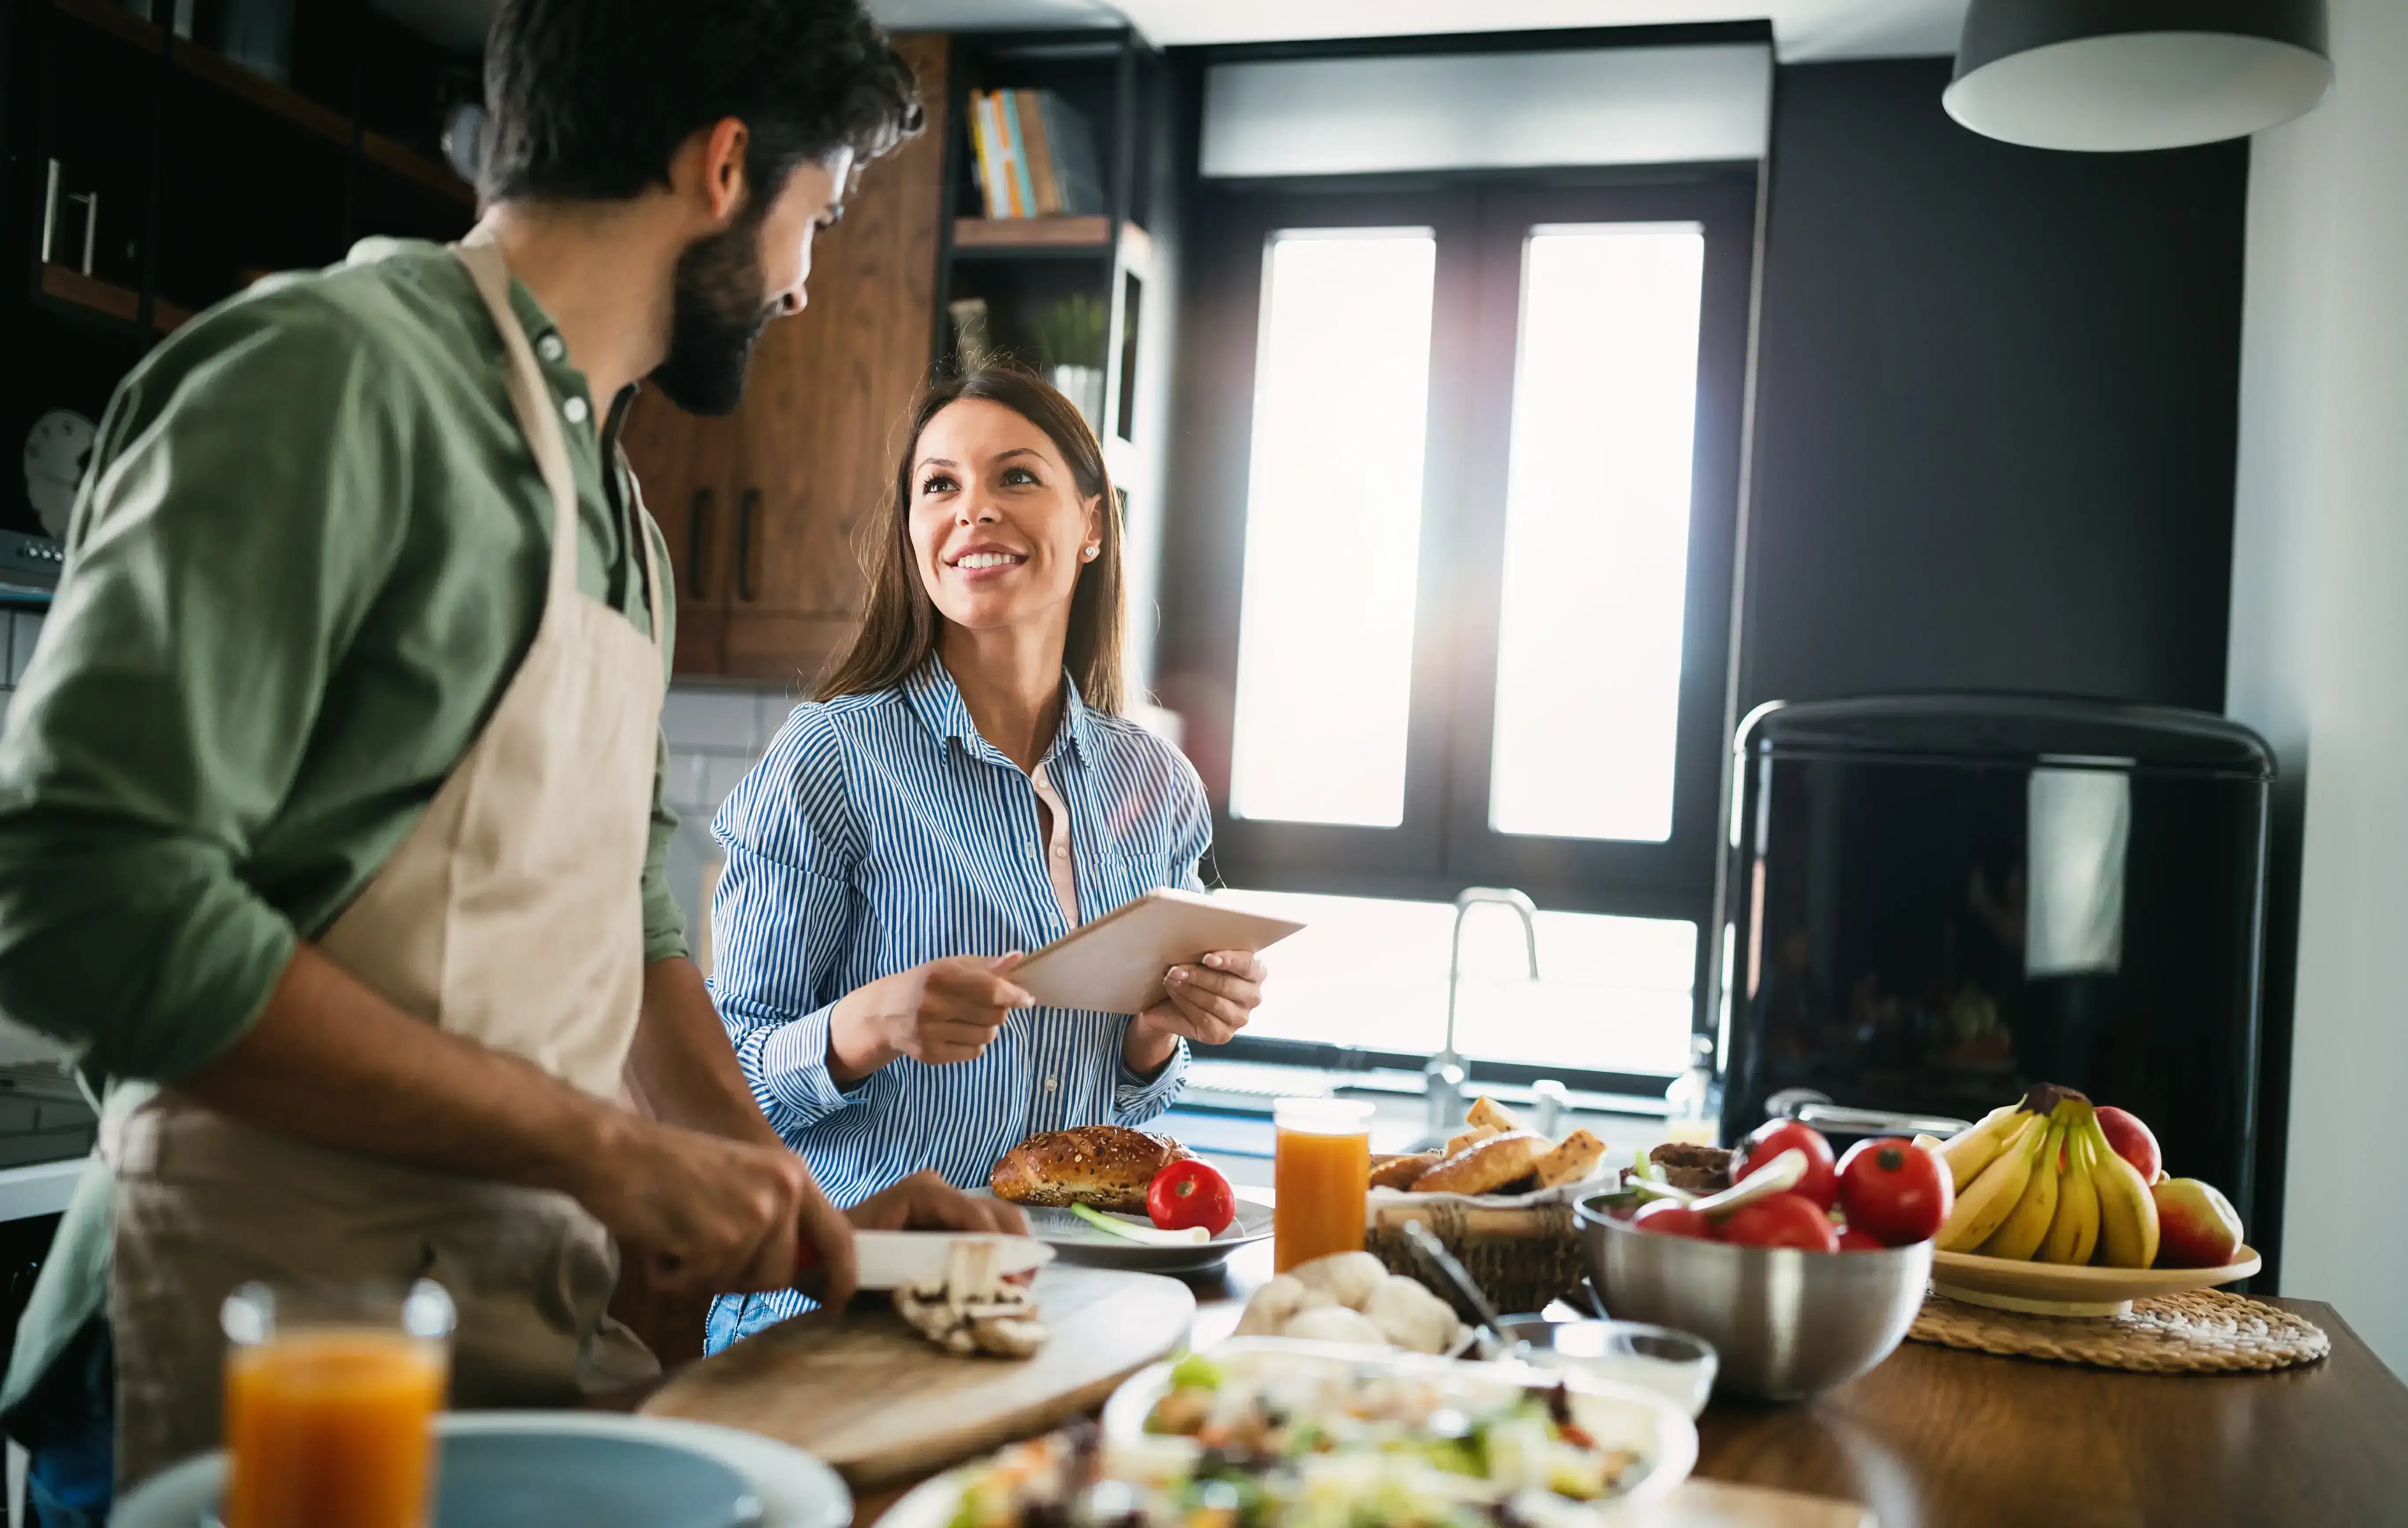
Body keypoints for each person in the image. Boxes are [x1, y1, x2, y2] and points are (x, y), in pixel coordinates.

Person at [0, 0, 1016, 1513]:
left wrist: (813, 1216)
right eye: (825, 209)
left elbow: (630, 913)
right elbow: (76, 895)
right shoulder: (333, 375)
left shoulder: (620, 515)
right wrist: (605, 1153)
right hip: (239, 1345)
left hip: (492, 1340)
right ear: (727, 168)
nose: (808, 282)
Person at [703, 366, 1268, 1353]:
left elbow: (1115, 1114)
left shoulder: (1158, 785)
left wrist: (1155, 1040)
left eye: (1015, 477)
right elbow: (719, 1085)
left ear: (1091, 524)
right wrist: (865, 1024)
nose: (973, 511)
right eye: (939, 485)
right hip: (848, 1305)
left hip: (1063, 1309)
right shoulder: (832, 759)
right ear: (913, 531)